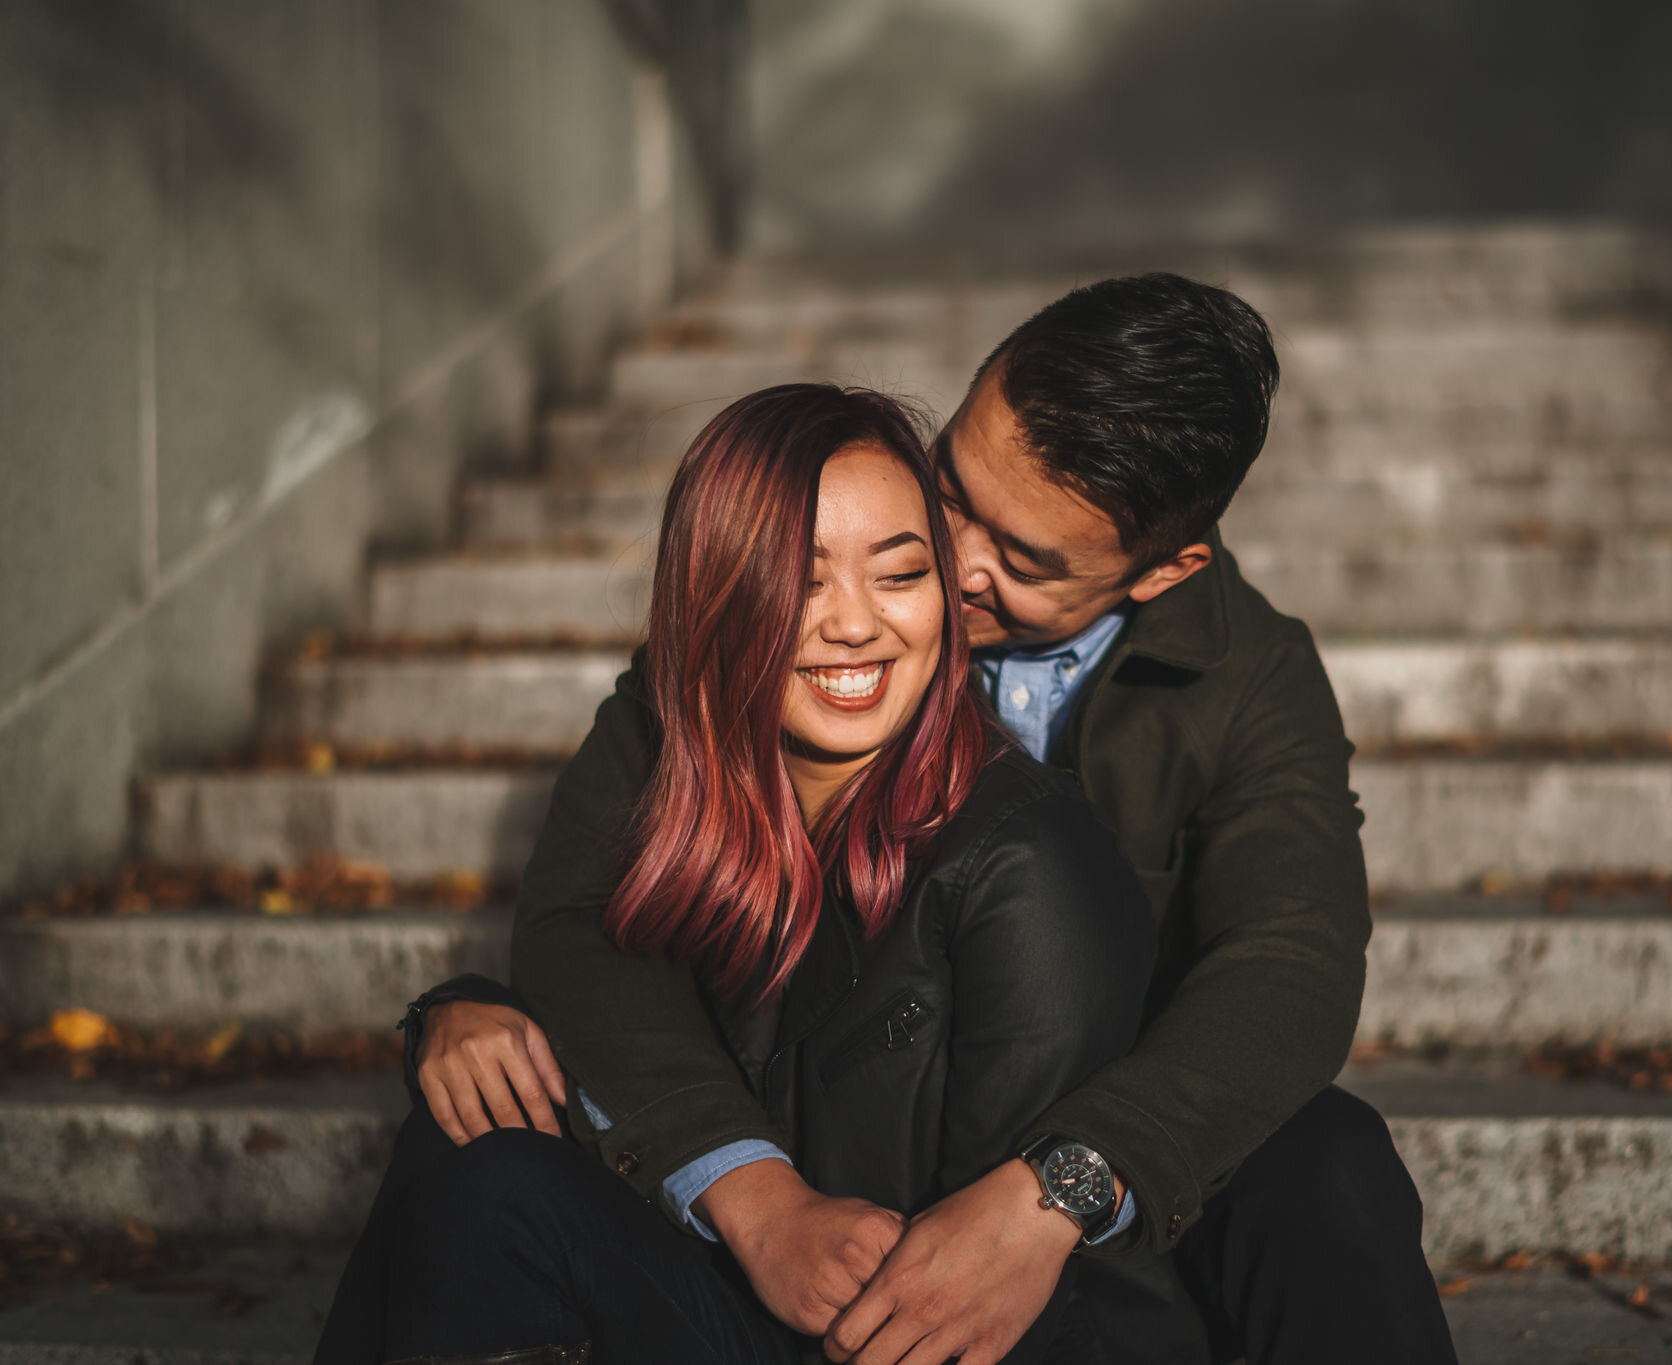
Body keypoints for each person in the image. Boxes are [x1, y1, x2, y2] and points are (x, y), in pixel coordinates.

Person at [417, 275, 1459, 1364]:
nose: (953, 565)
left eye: (1025, 561)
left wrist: (1056, 1190)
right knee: (474, 1145)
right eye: (954, 488)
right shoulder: (823, 609)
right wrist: (737, 1173)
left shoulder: (1249, 674)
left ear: (1162, 572)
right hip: (829, 1123)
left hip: (1107, 1138)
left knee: (1327, 1162)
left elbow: (1289, 962)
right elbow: (595, 899)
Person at [314, 384, 1209, 1363]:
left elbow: (1005, 1307)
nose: (854, 625)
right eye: (801, 580)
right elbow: (583, 942)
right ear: (716, 597)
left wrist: (778, 1220)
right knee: (468, 1138)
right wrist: (466, 1010)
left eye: (899, 575)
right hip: (762, 1303)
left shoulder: (1027, 866)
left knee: (487, 1185)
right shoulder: (698, 778)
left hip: (918, 1340)